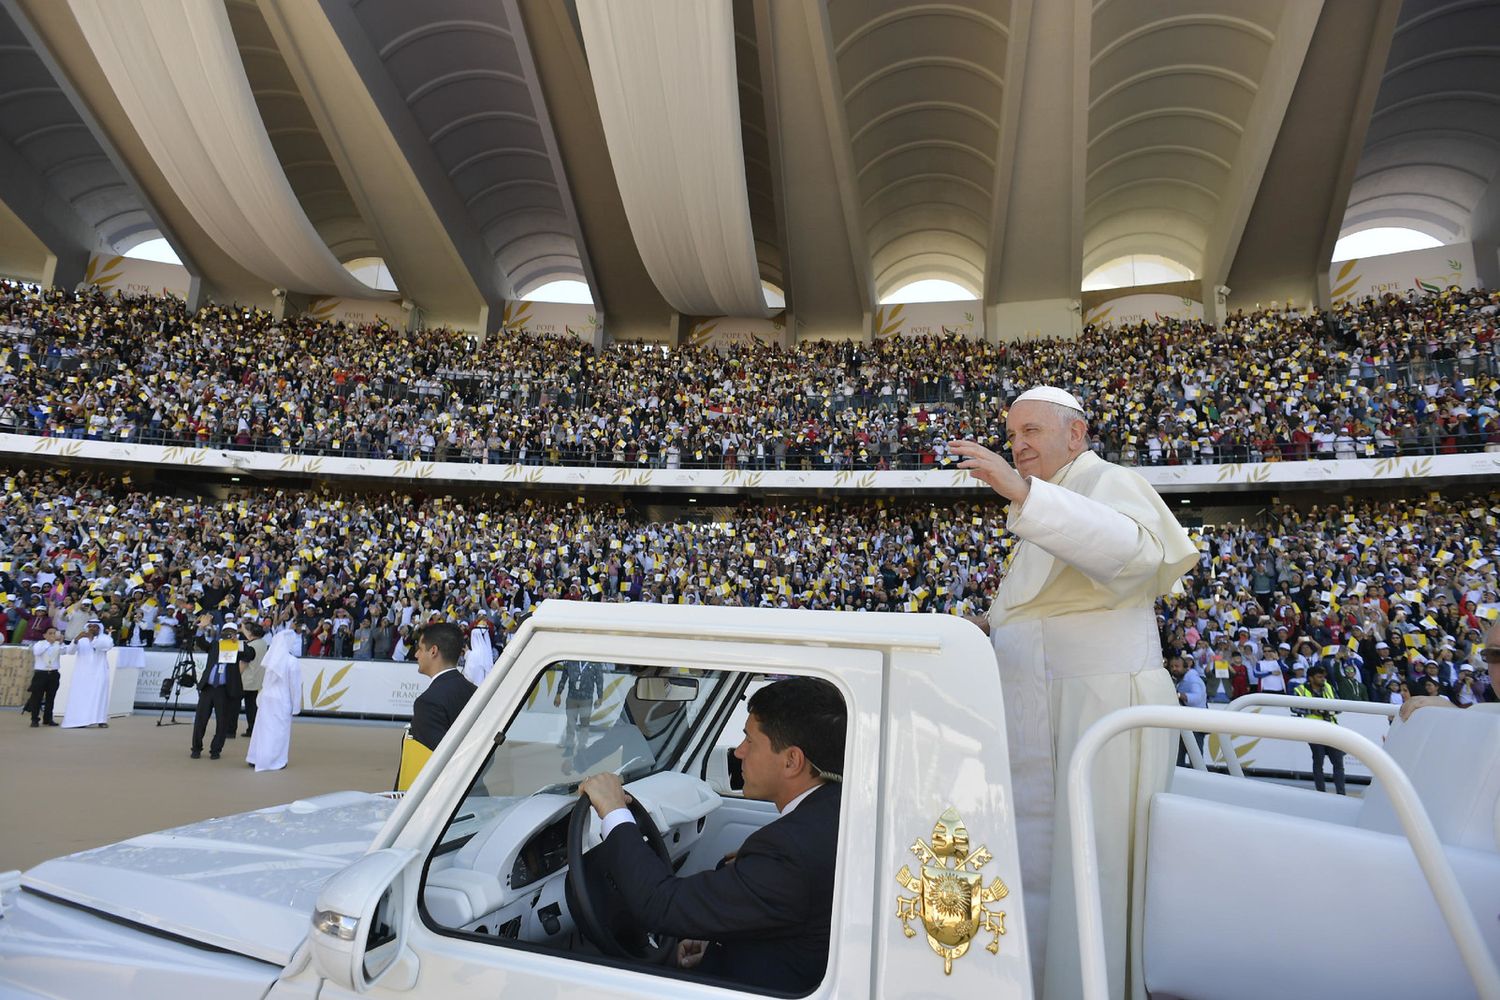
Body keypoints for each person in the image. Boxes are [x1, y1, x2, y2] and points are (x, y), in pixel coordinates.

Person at [949, 385, 1197, 1000]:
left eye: (1030, 431)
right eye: (1012, 436)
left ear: (1076, 435)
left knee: (1098, 865)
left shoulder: (1108, 481)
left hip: (1100, 710)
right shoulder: (1054, 500)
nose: (1018, 446)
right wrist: (985, 626)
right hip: (1048, 707)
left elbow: (1134, 555)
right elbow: (1044, 606)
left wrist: (1022, 491)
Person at [578, 677, 844, 994]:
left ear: (791, 761)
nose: (739, 751)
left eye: (750, 741)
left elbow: (659, 904)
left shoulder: (789, 851)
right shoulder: (832, 812)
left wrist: (613, 811)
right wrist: (719, 941)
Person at [192, 617, 253, 760]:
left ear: (236, 634)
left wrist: (238, 643)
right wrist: (201, 628)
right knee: (200, 719)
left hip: (225, 690)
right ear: (221, 633)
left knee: (222, 722)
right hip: (208, 688)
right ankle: (196, 748)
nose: (228, 634)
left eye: (231, 632)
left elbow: (250, 655)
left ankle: (215, 750)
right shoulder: (215, 645)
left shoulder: (238, 647)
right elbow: (200, 642)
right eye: (226, 632)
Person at [411, 622, 477, 751]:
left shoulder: (428, 702)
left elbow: (431, 759)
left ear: (433, 651)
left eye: (420, 648)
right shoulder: (475, 691)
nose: (416, 655)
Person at [246, 625, 303, 771]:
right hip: (281, 699)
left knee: (263, 728)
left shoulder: (271, 659)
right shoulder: (292, 661)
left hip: (267, 697)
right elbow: (295, 686)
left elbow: (265, 682)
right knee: (279, 731)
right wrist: (296, 706)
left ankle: (255, 757)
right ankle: (274, 760)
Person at [1293, 664, 1345, 795]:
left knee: (1338, 762)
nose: (1323, 679)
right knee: (1318, 761)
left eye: (1324, 676)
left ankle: (1341, 793)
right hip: (1314, 729)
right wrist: (1312, 709)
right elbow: (1293, 707)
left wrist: (1327, 710)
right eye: (1319, 676)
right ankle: (1321, 792)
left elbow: (1339, 707)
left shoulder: (1329, 687)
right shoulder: (1300, 689)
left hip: (1331, 728)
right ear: (1310, 678)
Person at [60, 619, 114, 729]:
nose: (92, 629)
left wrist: (91, 639)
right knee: (81, 696)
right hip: (82, 673)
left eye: (95, 627)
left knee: (99, 696)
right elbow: (70, 652)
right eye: (90, 626)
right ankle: (81, 719)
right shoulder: (81, 640)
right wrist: (76, 639)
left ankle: (100, 720)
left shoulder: (105, 638)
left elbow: (107, 646)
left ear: (99, 628)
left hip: (99, 672)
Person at [553, 659, 605, 757]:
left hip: (586, 699)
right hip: (572, 697)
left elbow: (599, 680)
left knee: (584, 724)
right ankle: (569, 747)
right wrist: (558, 694)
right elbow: (563, 678)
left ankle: (581, 747)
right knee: (570, 724)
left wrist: (600, 697)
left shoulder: (595, 663)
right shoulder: (571, 662)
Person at [24, 626, 70, 727]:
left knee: (51, 697)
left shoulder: (58, 645)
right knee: (37, 697)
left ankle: (48, 718)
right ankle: (34, 719)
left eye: (54, 633)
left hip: (53, 673)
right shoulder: (39, 644)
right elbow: (37, 652)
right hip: (41, 673)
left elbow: (66, 651)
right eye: (50, 633)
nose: (53, 635)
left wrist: (61, 642)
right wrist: (49, 643)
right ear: (45, 635)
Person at [1169, 655, 1207, 766]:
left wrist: (1179, 695)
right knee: (1178, 759)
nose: (1174, 669)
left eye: (1177, 666)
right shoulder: (1180, 679)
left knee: (1195, 760)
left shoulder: (1193, 680)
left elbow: (1196, 698)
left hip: (1195, 725)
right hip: (1183, 724)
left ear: (1186, 667)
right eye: (1172, 666)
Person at [239, 621, 267, 737]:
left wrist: (235, 675)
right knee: (252, 708)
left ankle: (230, 729)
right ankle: (252, 729)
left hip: (245, 680)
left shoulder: (250, 646)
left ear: (250, 633)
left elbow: (243, 664)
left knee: (234, 706)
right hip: (257, 680)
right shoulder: (263, 643)